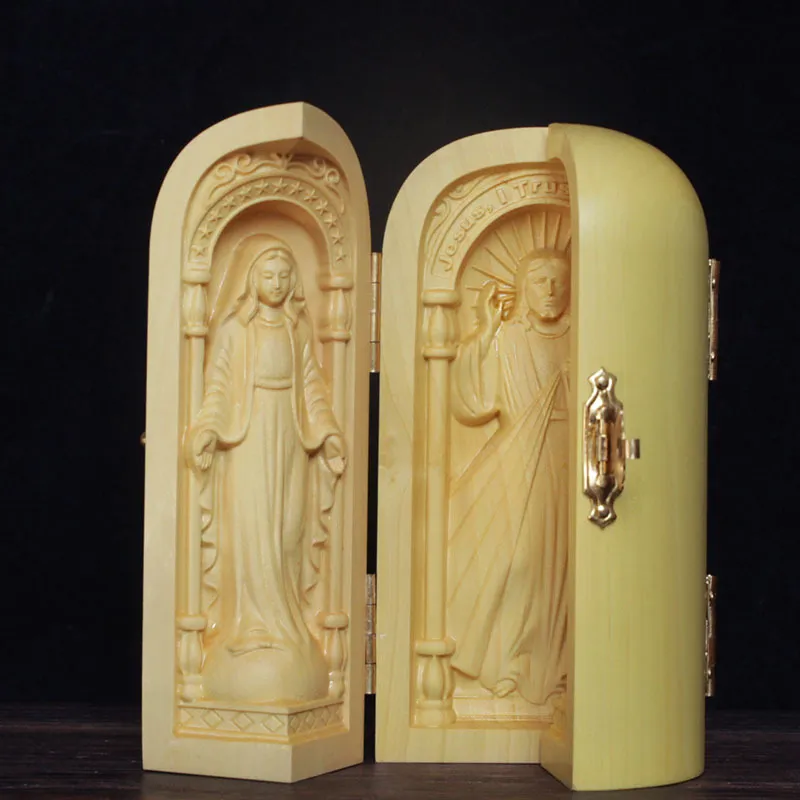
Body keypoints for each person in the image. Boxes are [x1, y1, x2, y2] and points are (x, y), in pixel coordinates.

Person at [186, 233, 345, 704]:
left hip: (291, 438)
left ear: (293, 281)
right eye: (268, 275)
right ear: (253, 279)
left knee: (287, 530)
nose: (276, 283)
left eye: (283, 275)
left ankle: (286, 626)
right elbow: (217, 386)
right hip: (249, 439)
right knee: (252, 531)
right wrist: (208, 429)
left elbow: (312, 386)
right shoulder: (236, 330)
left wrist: (327, 430)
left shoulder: (297, 330)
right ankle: (249, 626)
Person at [447, 249, 570, 713]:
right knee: (521, 562)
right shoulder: (509, 338)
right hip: (521, 462)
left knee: (563, 564)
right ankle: (511, 665)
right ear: (522, 289)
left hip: (569, 460)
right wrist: (484, 331)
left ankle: (557, 670)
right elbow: (475, 401)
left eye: (558, 280)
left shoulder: (583, 336)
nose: (550, 290)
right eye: (539, 280)